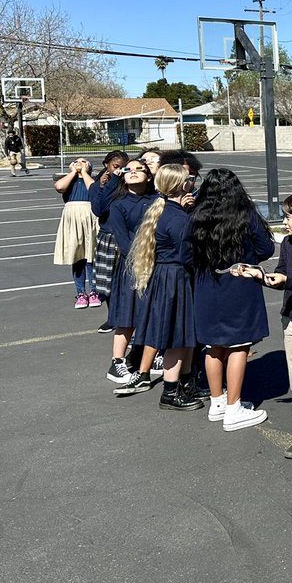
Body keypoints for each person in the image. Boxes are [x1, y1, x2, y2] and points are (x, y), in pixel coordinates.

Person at [189, 168, 274, 432]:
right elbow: (266, 248)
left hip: (205, 285)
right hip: (238, 283)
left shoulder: (195, 216)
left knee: (213, 346)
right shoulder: (246, 215)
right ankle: (234, 407)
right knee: (239, 345)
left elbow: (186, 254)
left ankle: (218, 400)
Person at [249, 190, 292, 461]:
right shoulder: (289, 243)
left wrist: (286, 280)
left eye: (289, 216)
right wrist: (265, 277)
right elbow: (283, 270)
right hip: (291, 317)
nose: (285, 222)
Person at [127, 164, 202, 411]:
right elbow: (188, 255)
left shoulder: (161, 210)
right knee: (177, 337)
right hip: (176, 278)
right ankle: (170, 392)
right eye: (188, 180)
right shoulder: (178, 217)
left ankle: (181, 385)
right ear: (183, 186)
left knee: (178, 335)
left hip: (164, 276)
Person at [105, 160, 158, 389]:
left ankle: (151, 355)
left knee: (151, 313)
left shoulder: (158, 200)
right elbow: (123, 240)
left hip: (158, 264)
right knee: (127, 316)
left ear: (149, 175)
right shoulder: (119, 205)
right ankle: (117, 361)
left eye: (139, 169)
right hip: (132, 266)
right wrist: (139, 259)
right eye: (129, 170)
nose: (133, 172)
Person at [52, 157, 100, 309]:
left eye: (84, 161)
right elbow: (59, 186)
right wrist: (73, 172)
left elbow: (93, 189)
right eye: (76, 161)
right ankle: (80, 293)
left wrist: (85, 173)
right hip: (72, 219)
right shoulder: (69, 181)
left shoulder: (92, 180)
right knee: (77, 257)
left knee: (91, 257)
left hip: (90, 217)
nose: (80, 163)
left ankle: (94, 292)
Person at [90, 150, 130, 334]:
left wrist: (117, 179)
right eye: (116, 167)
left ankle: (126, 319)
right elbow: (99, 208)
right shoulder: (99, 185)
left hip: (125, 236)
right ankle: (112, 318)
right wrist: (106, 184)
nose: (119, 171)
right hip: (107, 237)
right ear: (106, 164)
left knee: (125, 281)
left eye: (123, 167)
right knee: (106, 283)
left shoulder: (126, 184)